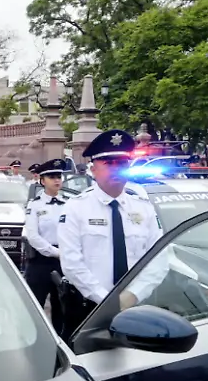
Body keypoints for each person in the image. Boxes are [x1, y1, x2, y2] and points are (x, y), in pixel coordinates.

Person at [58, 129, 166, 337]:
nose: (116, 169)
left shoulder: (143, 208)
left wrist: (133, 296)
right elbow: (72, 263)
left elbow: (159, 259)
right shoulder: (76, 208)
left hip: (134, 307)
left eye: (122, 163)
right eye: (109, 163)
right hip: (88, 308)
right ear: (93, 169)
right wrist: (106, 301)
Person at [23, 159, 70, 333]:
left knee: (62, 307)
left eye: (59, 176)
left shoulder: (69, 203)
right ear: (42, 181)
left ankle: (62, 344)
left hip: (64, 262)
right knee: (36, 306)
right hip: (41, 262)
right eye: (52, 177)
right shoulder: (34, 205)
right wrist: (56, 252)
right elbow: (33, 236)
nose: (57, 180)